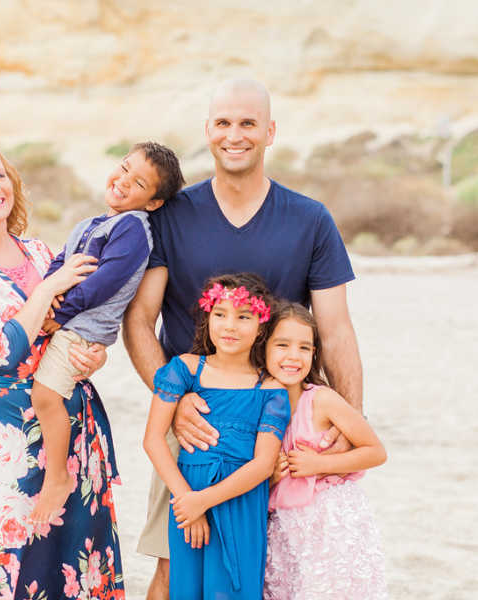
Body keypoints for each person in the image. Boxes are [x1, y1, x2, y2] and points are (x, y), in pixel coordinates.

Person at [122, 78, 363, 599]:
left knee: (275, 566)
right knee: (173, 563)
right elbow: (140, 319)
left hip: (283, 422)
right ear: (208, 131)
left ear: (270, 131)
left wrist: (347, 421)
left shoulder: (310, 220)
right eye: (224, 123)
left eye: (248, 123)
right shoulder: (170, 216)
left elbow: (337, 329)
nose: (236, 135)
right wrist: (176, 399)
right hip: (195, 424)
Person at [0, 137, 124, 600]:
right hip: (9, 438)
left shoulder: (37, 251)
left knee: (77, 565)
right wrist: (45, 289)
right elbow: (1, 350)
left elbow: (78, 323)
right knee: (2, 565)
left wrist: (94, 354)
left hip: (74, 425)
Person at [29, 142, 184, 524]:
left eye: (139, 182)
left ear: (153, 203)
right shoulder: (89, 223)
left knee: (46, 396)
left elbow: (106, 282)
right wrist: (46, 298)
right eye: (124, 168)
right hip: (65, 319)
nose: (124, 181)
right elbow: (60, 263)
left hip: (82, 328)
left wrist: (59, 313)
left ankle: (58, 476)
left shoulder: (133, 228)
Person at [143, 273, 289, 600]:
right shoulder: (183, 369)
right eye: (220, 314)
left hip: (240, 502)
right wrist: (187, 502)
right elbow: (152, 440)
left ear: (261, 326)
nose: (230, 326)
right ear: (208, 318)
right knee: (186, 589)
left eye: (243, 317)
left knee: (230, 591)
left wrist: (202, 502)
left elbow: (264, 464)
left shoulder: (270, 390)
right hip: (186, 496)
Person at [263, 302, 387, 599]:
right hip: (285, 530)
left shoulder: (321, 400)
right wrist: (271, 476)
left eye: (305, 348)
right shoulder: (258, 402)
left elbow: (375, 451)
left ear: (314, 354)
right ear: (263, 347)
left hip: (332, 525)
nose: (294, 356)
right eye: (282, 345)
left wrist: (317, 463)